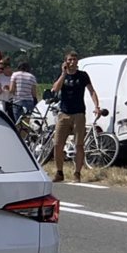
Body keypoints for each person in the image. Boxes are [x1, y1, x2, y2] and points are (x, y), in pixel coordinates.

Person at [49, 50, 102, 182]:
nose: (72, 62)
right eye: (70, 60)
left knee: (79, 144)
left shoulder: (83, 75)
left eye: (74, 60)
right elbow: (54, 89)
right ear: (65, 62)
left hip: (78, 113)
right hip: (64, 113)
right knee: (58, 144)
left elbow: (91, 91)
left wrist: (97, 106)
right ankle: (59, 172)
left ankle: (77, 173)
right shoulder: (63, 75)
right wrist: (63, 73)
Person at [10, 57, 38, 123]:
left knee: (17, 122)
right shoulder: (32, 77)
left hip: (17, 101)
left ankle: (18, 133)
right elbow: (33, 93)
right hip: (29, 102)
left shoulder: (15, 75)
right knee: (27, 122)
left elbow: (11, 89)